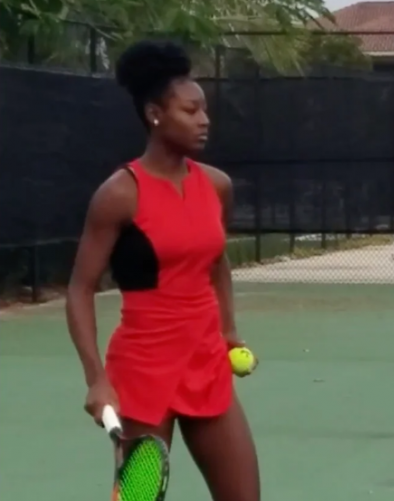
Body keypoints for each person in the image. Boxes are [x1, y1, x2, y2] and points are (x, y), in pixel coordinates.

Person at [65, 39, 260, 501]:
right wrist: (97, 378)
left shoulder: (216, 186)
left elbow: (217, 263)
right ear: (155, 114)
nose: (204, 119)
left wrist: (228, 330)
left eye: (204, 110)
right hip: (143, 369)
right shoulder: (119, 194)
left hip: (207, 362)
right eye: (190, 110)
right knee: (139, 498)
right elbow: (79, 289)